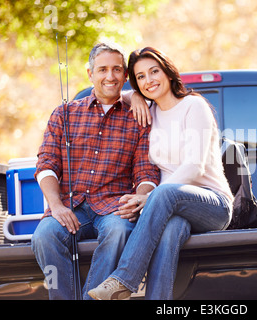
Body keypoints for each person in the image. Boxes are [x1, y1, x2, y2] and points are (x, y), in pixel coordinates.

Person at [88, 47, 234, 300]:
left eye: (154, 71)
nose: (149, 80)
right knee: (170, 230)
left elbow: (194, 167)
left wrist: (150, 198)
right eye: (141, 77)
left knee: (165, 193)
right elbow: (105, 91)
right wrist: (133, 95)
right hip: (170, 209)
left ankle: (123, 279)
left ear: (167, 71)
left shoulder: (193, 106)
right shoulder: (149, 112)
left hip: (213, 204)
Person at [31, 42, 160, 300]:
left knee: (119, 231)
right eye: (102, 70)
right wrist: (55, 206)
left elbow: (146, 172)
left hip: (114, 207)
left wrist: (139, 196)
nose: (110, 76)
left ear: (125, 75)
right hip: (70, 206)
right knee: (44, 236)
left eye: (116, 70)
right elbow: (46, 164)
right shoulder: (63, 114)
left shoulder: (139, 117)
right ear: (90, 73)